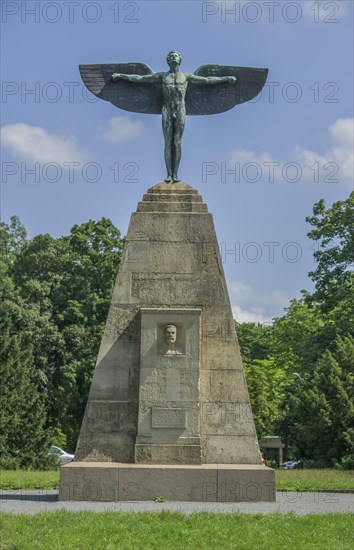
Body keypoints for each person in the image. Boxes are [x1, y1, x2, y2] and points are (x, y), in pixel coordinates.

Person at [112, 51, 236, 183]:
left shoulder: (186, 77)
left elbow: (207, 80)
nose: (173, 57)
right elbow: (140, 78)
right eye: (171, 56)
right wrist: (121, 76)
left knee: (177, 142)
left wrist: (226, 78)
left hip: (180, 110)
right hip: (167, 109)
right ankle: (169, 174)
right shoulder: (162, 76)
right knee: (167, 142)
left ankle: (175, 174)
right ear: (167, 60)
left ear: (180, 60)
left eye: (176, 55)